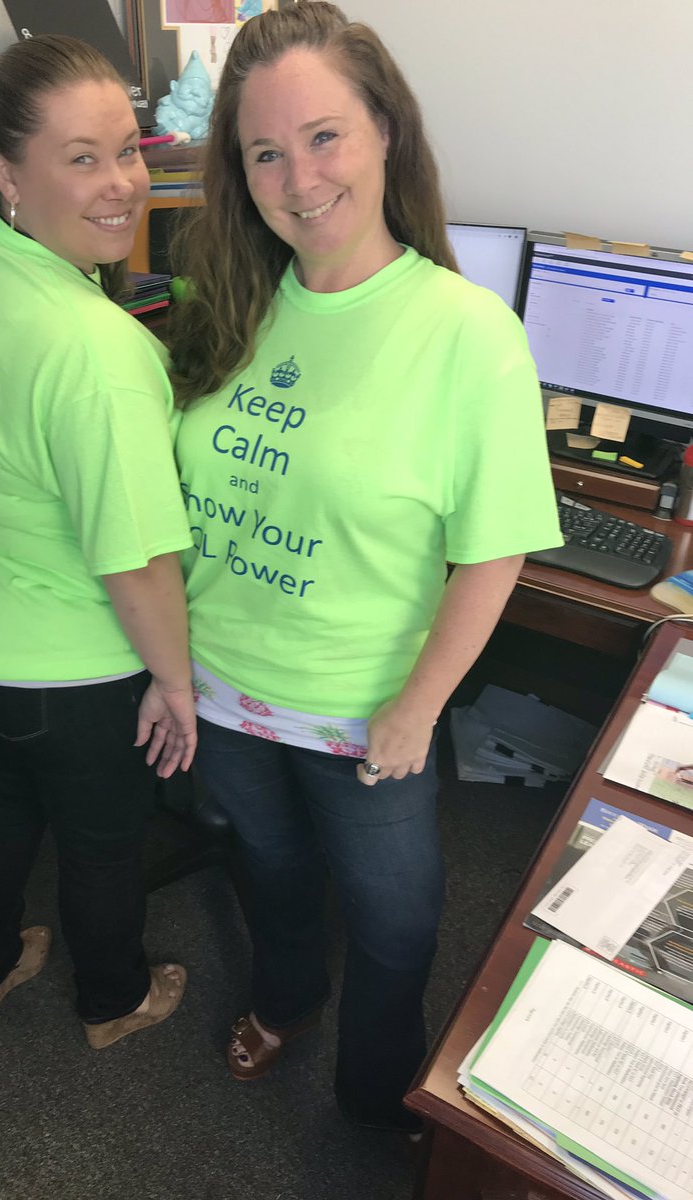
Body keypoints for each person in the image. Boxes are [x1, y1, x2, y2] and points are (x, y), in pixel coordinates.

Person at [168, 2, 562, 1131]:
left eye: (326, 136)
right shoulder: (232, 304)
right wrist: (172, 667)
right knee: (270, 873)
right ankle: (286, 998)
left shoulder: (464, 331)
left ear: (388, 130)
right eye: (266, 153)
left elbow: (493, 552)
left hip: (365, 713)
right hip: (227, 689)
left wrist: (418, 706)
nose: (299, 179)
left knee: (397, 925)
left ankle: (372, 1092)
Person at [0, 35, 194, 1048]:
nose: (124, 184)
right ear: (6, 170)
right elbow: (137, 560)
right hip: (73, 665)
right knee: (103, 841)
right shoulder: (99, 354)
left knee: (6, 797)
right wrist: (174, 683)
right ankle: (113, 1001)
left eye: (128, 149)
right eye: (82, 159)